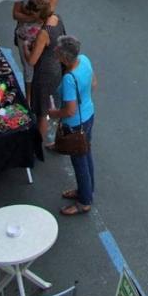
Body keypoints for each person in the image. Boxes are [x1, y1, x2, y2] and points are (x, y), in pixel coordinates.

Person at [48, 35, 97, 216]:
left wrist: (53, 114)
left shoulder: (69, 78)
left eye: (58, 51)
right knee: (86, 154)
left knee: (79, 162)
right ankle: (87, 190)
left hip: (75, 125)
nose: (55, 51)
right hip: (89, 115)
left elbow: (69, 110)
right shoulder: (84, 60)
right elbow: (94, 83)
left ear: (65, 57)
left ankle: (84, 201)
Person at [23, 0, 64, 140]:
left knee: (42, 113)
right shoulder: (57, 18)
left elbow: (32, 61)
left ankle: (39, 144)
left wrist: (26, 48)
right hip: (57, 68)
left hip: (44, 74)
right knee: (54, 104)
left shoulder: (44, 33)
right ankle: (56, 138)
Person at [12, 0, 57, 105]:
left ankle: (43, 95)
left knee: (41, 66)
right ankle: (29, 99)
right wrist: (33, 17)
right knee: (28, 70)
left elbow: (48, 17)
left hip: (40, 37)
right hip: (24, 35)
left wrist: (33, 17)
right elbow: (15, 14)